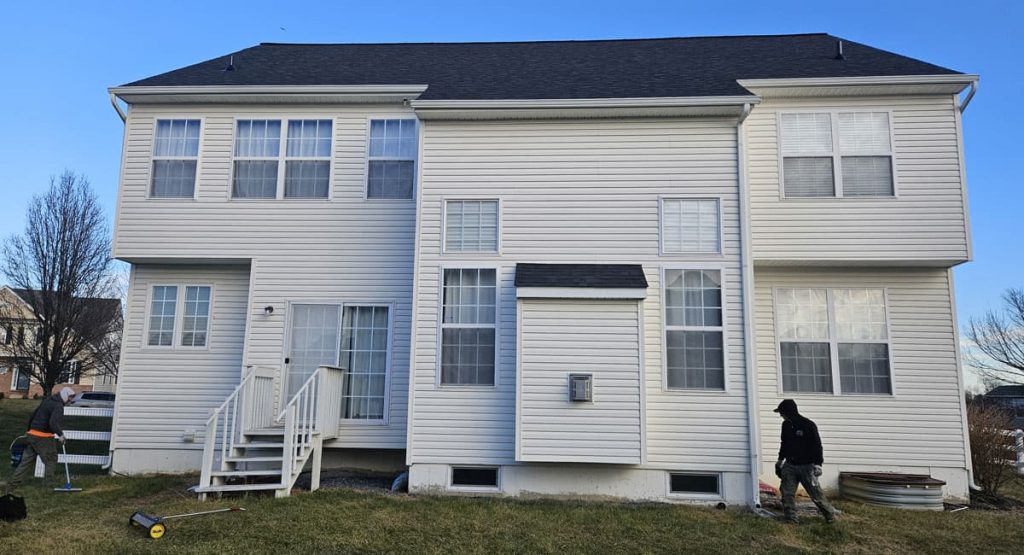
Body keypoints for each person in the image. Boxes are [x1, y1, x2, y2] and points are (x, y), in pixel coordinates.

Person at [2, 387, 76, 494]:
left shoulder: (48, 401)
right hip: (43, 437)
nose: (70, 400)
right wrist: (60, 435)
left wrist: (29, 431)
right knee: (51, 459)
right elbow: (53, 423)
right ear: (64, 395)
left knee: (26, 462)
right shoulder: (58, 406)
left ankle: (10, 486)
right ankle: (48, 488)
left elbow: (33, 415)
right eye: (70, 398)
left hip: (32, 435)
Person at [773, 399, 836, 523]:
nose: (781, 415)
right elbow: (784, 444)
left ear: (788, 412)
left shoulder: (808, 425)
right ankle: (791, 518)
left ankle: (830, 516)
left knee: (816, 494)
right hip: (790, 464)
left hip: (807, 466)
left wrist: (818, 465)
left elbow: (817, 446)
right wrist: (780, 460)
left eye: (782, 412)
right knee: (787, 492)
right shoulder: (785, 426)